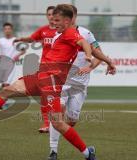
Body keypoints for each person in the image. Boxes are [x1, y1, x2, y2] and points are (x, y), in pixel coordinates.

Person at [0, 4, 97, 160]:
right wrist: (109, 62)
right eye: (51, 17)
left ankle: (87, 153)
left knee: (58, 123)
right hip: (40, 77)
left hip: (52, 83)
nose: (52, 21)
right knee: (7, 91)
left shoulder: (71, 33)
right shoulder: (56, 33)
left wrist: (89, 57)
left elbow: (86, 44)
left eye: (56, 19)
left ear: (67, 20)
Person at [47, 5, 116, 160]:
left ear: (73, 17)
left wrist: (90, 66)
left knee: (71, 121)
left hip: (80, 85)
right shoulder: (57, 36)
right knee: (58, 114)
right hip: (62, 83)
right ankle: (53, 151)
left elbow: (98, 53)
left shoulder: (86, 33)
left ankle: (84, 149)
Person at [14, 6, 57, 133]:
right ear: (46, 16)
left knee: (53, 97)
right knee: (45, 96)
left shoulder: (63, 31)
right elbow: (32, 38)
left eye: (53, 14)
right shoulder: (43, 30)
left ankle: (57, 122)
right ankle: (47, 124)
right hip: (44, 69)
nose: (51, 17)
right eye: (49, 14)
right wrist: (21, 39)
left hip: (59, 70)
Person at [0, 22, 26, 88]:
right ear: (3, 30)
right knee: (3, 85)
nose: (7, 30)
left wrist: (18, 55)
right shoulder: (1, 40)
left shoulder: (15, 40)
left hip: (11, 64)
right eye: (5, 29)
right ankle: (3, 98)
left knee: (7, 84)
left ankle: (3, 97)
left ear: (12, 30)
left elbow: (23, 50)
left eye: (9, 29)